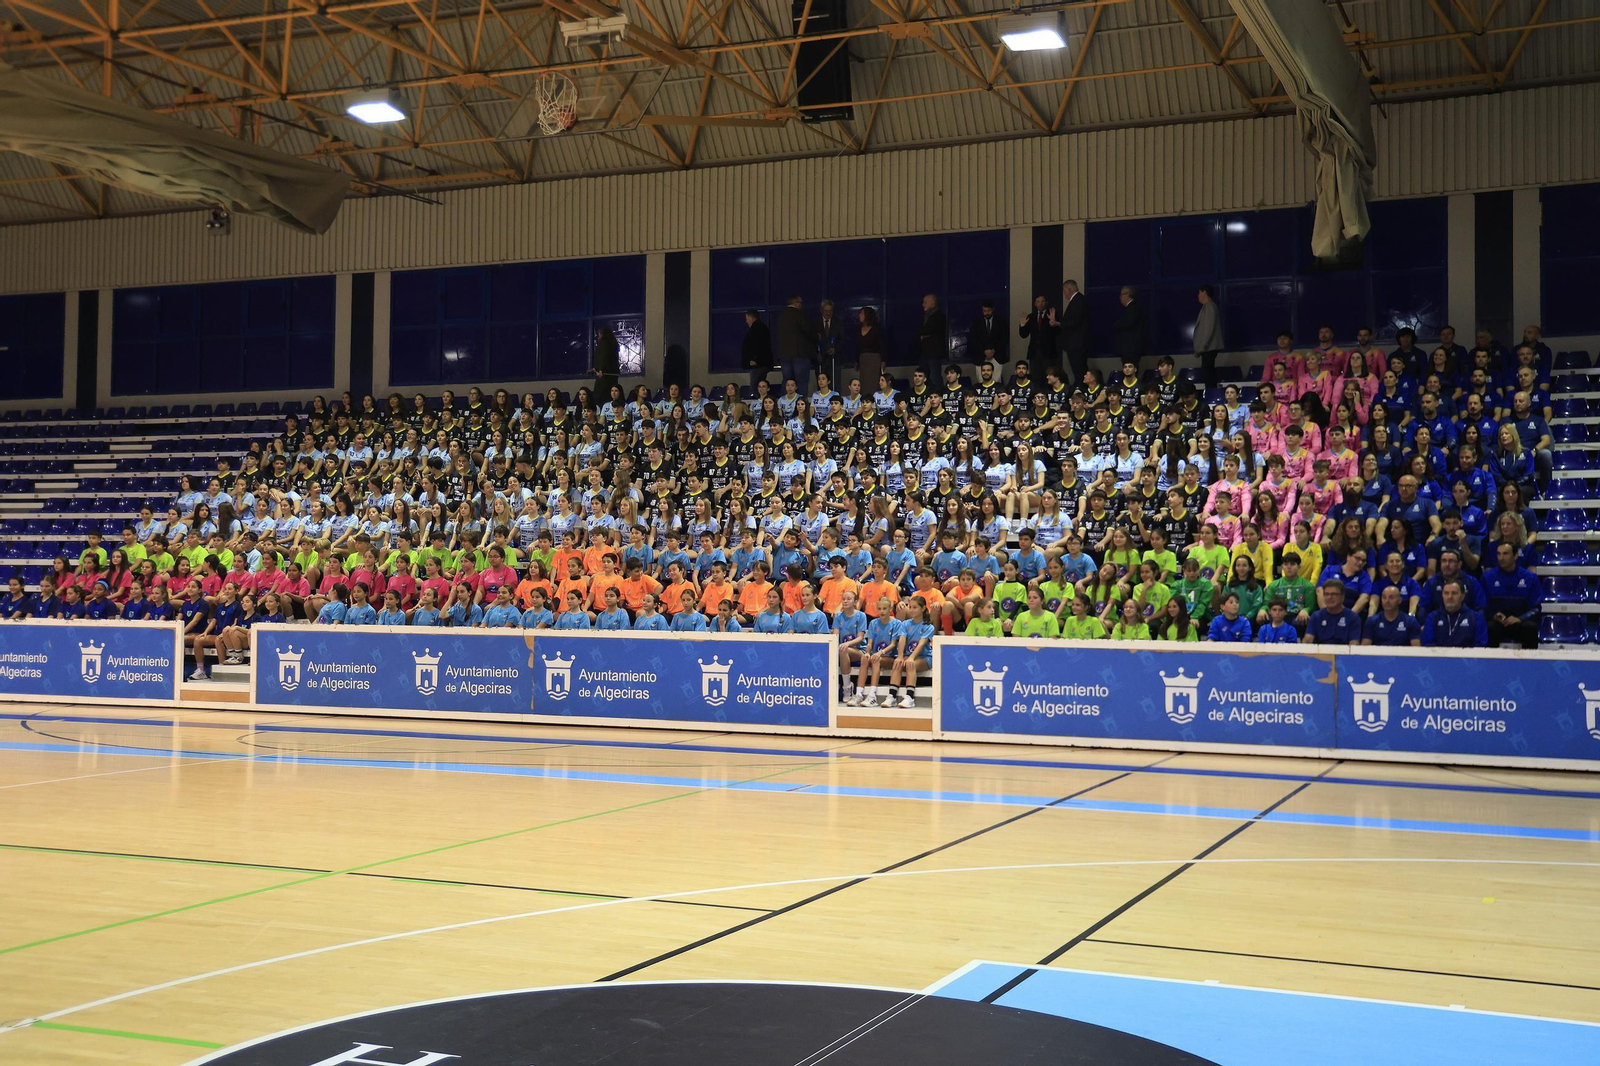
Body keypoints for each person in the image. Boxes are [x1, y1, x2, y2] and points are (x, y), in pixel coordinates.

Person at [1482, 541, 1540, 647]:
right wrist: (1493, 615)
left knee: (1530, 627)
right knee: (1489, 627)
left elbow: (1536, 608)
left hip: (1520, 622)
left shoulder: (1530, 577)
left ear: (1515, 555)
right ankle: (1489, 662)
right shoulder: (1487, 577)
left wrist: (1520, 618)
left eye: (1505, 554)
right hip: (1498, 623)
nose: (1501, 558)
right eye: (1498, 554)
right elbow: (1483, 605)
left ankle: (1530, 662)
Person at [773, 294, 819, 394]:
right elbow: (808, 330)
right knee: (801, 381)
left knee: (787, 381)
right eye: (800, 303)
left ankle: (784, 404)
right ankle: (801, 404)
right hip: (799, 353)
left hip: (784, 354)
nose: (801, 305)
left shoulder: (781, 316)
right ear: (796, 303)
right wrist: (817, 337)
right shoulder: (799, 315)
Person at [1422, 579, 1488, 647]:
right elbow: (1428, 645)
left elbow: (1480, 646)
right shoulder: (1433, 617)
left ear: (1462, 596)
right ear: (1442, 596)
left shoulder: (1476, 618)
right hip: (1439, 656)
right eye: (1446, 593)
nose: (1449, 597)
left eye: (1454, 593)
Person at [1302, 578, 1360, 644]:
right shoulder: (1316, 616)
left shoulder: (1353, 617)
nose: (1329, 597)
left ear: (1342, 597)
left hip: (1343, 652)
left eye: (1334, 594)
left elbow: (1354, 644)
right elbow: (1307, 640)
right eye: (1326, 594)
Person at [1059, 279, 1090, 386]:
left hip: (1076, 343)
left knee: (1079, 372)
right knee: (1080, 371)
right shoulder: (1080, 300)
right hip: (1078, 343)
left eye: (1064, 290)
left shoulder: (1077, 301)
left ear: (1068, 289)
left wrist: (1059, 323)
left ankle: (1081, 392)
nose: (1064, 293)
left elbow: (1075, 321)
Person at [1193, 285, 1223, 389]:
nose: (1198, 296)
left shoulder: (1209, 306)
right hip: (1207, 347)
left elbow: (1208, 328)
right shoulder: (1207, 307)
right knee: (1207, 372)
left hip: (1209, 348)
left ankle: (1211, 392)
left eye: (1199, 293)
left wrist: (1203, 345)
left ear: (1204, 292)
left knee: (1208, 373)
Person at [1018, 295, 1058, 365]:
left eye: (1042, 301)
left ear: (1046, 302)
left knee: (1049, 374)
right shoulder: (1031, 317)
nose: (1040, 304)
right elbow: (1024, 335)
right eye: (1038, 302)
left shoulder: (1052, 315)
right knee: (1035, 375)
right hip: (1034, 353)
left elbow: (1058, 332)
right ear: (1035, 304)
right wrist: (1022, 325)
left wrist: (1054, 322)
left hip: (1049, 353)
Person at [1113, 285, 1146, 368]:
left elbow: (1127, 323)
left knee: (1130, 371)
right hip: (1130, 348)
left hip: (1130, 348)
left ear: (1127, 294)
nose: (1120, 297)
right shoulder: (1132, 308)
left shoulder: (1132, 308)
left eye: (1121, 294)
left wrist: (1117, 325)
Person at [968, 299, 1007, 369]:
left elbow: (1004, 338)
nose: (987, 313)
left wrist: (993, 350)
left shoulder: (1001, 321)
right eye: (984, 311)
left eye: (989, 311)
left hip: (997, 357)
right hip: (980, 357)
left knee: (996, 379)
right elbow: (973, 339)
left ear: (993, 309)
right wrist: (984, 351)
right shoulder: (976, 323)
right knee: (981, 379)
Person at [917, 293, 947, 382]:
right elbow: (919, 331)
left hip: (934, 352)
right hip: (924, 352)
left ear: (933, 303)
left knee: (934, 377)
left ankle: (936, 394)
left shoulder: (939, 316)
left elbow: (931, 329)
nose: (923, 305)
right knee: (923, 376)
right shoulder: (924, 317)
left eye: (925, 302)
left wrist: (924, 334)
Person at [742, 309, 773, 388]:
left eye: (747, 319)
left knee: (755, 386)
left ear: (751, 318)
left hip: (758, 364)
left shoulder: (756, 329)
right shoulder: (761, 328)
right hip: (762, 362)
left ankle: (759, 400)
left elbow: (756, 345)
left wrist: (753, 358)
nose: (746, 321)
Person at [591, 326, 620, 404]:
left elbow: (603, 357)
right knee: (611, 395)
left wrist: (601, 369)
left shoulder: (604, 343)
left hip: (604, 375)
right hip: (613, 375)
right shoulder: (613, 344)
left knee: (600, 397)